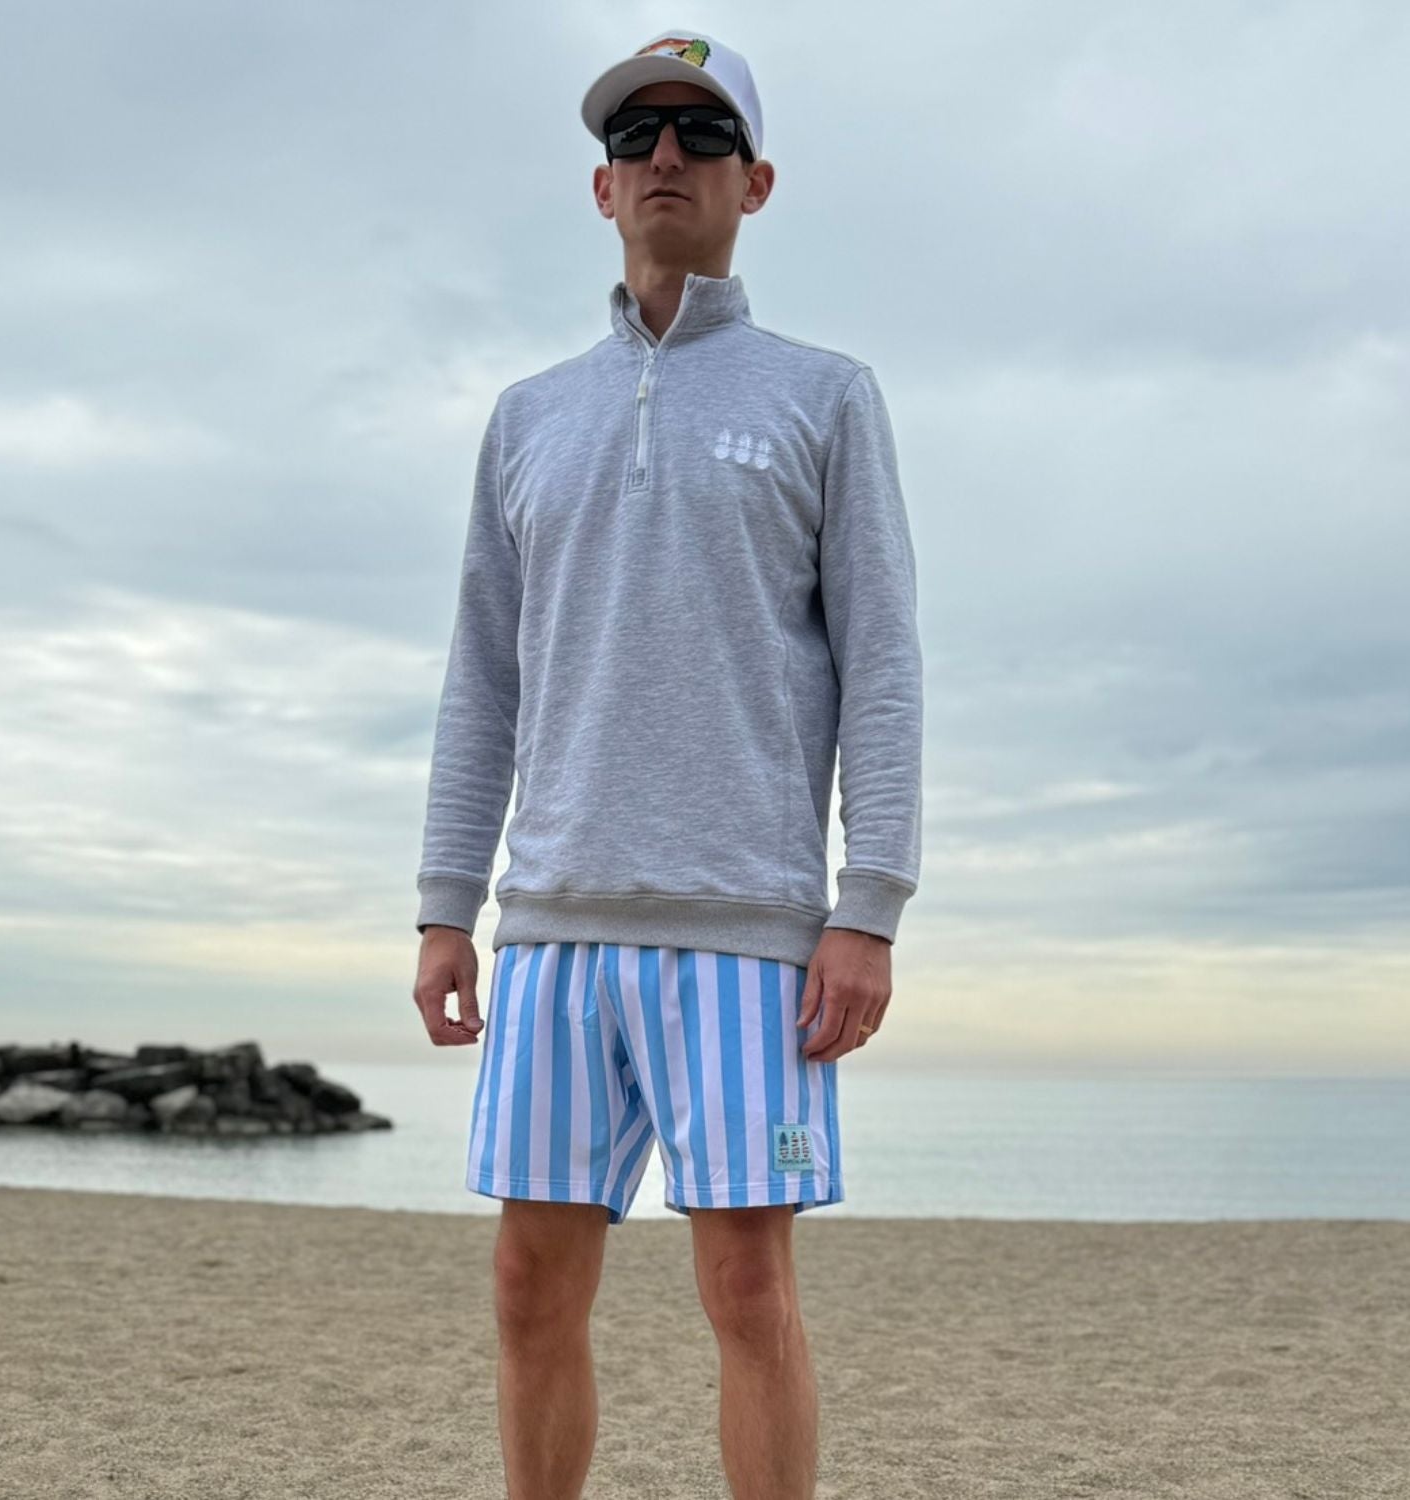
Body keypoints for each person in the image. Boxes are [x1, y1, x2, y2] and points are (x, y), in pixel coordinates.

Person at [411, 28, 923, 1500]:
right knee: (526, 1284)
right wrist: (449, 903)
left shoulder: (825, 398)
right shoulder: (528, 417)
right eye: (639, 137)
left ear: (754, 182)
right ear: (600, 186)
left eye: (701, 137)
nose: (666, 160)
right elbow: (484, 679)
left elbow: (883, 667)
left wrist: (868, 905)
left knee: (749, 1292)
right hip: (556, 922)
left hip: (747, 936)